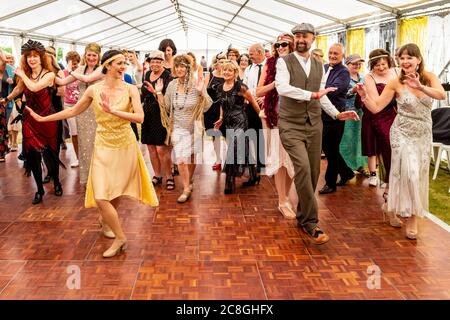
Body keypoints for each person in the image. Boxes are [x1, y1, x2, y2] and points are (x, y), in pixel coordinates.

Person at [26, 49, 159, 257]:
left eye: (125, 63)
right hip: (103, 145)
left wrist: (113, 111)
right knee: (100, 195)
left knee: (116, 190)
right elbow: (71, 111)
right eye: (119, 63)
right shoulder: (94, 90)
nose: (123, 66)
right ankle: (121, 237)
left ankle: (107, 222)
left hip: (125, 145)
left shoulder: (131, 89)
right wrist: (43, 119)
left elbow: (140, 118)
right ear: (107, 66)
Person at [275, 23, 359, 245]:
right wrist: (311, 95)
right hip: (290, 124)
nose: (301, 39)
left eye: (305, 35)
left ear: (313, 39)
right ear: (295, 39)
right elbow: (282, 88)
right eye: (298, 35)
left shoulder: (319, 64)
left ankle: (303, 216)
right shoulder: (283, 62)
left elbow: (322, 96)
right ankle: (312, 223)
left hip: (314, 125)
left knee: (312, 173)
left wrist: (336, 114)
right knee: (302, 167)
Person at [355, 43, 445, 240]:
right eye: (401, 58)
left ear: (418, 59)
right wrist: (364, 97)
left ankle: (391, 207)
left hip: (422, 133)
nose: (405, 61)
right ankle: (409, 218)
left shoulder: (429, 77)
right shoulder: (395, 83)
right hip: (401, 132)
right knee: (407, 173)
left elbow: (441, 94)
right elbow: (377, 107)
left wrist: (421, 87)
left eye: (409, 57)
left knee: (416, 174)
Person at [1, 40, 63, 204]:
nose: (32, 59)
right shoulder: (26, 75)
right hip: (30, 120)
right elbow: (19, 89)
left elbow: (35, 88)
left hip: (48, 119)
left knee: (51, 154)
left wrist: (21, 75)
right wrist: (6, 99)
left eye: (35, 56)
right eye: (29, 57)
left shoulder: (49, 75)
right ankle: (39, 190)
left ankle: (56, 182)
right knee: (33, 156)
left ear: (41, 58)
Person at [155, 54, 212, 203]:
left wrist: (201, 92)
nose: (179, 69)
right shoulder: (172, 85)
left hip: (195, 127)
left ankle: (189, 180)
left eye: (183, 66)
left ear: (188, 68)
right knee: (181, 159)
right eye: (177, 66)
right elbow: (166, 107)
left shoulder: (196, 83)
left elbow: (207, 106)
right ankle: (186, 188)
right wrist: (159, 93)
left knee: (192, 156)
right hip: (178, 128)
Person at [256, 33, 297, 219]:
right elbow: (258, 91)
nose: (280, 47)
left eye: (285, 44)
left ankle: (286, 196)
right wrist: (275, 83)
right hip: (277, 118)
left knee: (292, 161)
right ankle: (281, 200)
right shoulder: (269, 64)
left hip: (296, 117)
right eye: (278, 44)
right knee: (281, 160)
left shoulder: (298, 64)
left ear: (293, 46)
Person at [214, 60, 261, 194]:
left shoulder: (241, 87)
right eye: (224, 70)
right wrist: (221, 118)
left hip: (240, 121)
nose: (226, 72)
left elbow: (252, 101)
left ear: (235, 72)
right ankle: (253, 176)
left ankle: (229, 182)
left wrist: (261, 115)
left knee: (233, 150)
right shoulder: (219, 87)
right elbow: (222, 105)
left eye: (230, 70)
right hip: (228, 122)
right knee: (242, 149)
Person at [361, 49, 399, 191]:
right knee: (384, 146)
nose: (381, 67)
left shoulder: (397, 72)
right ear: (372, 66)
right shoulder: (369, 78)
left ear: (389, 62)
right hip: (378, 115)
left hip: (395, 115)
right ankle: (387, 179)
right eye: (377, 65)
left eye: (384, 64)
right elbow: (377, 102)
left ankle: (397, 178)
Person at [319, 43, 353, 194]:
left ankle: (330, 183)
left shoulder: (344, 72)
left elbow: (334, 91)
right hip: (321, 114)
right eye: (331, 53)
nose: (332, 56)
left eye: (336, 54)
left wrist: (320, 90)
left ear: (342, 56)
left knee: (331, 150)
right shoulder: (324, 68)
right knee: (329, 149)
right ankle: (346, 172)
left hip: (336, 115)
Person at [141, 50, 174, 190]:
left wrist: (156, 93)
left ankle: (169, 176)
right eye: (152, 61)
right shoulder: (147, 74)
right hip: (148, 114)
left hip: (161, 114)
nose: (154, 64)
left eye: (157, 61)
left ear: (162, 62)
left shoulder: (168, 76)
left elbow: (167, 100)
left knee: (161, 149)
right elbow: (143, 93)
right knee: (151, 147)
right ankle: (157, 175)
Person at [339, 54, 368, 174]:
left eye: (359, 63)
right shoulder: (343, 77)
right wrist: (353, 90)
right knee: (347, 139)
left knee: (359, 139)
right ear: (347, 64)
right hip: (347, 112)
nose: (357, 66)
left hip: (360, 112)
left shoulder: (363, 77)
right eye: (354, 63)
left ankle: (360, 165)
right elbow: (339, 95)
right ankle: (346, 167)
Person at [63, 51, 81, 168]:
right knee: (74, 133)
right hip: (69, 105)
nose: (73, 65)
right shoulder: (63, 73)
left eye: (75, 63)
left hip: (82, 105)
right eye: (71, 63)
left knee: (84, 132)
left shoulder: (82, 72)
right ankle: (78, 158)